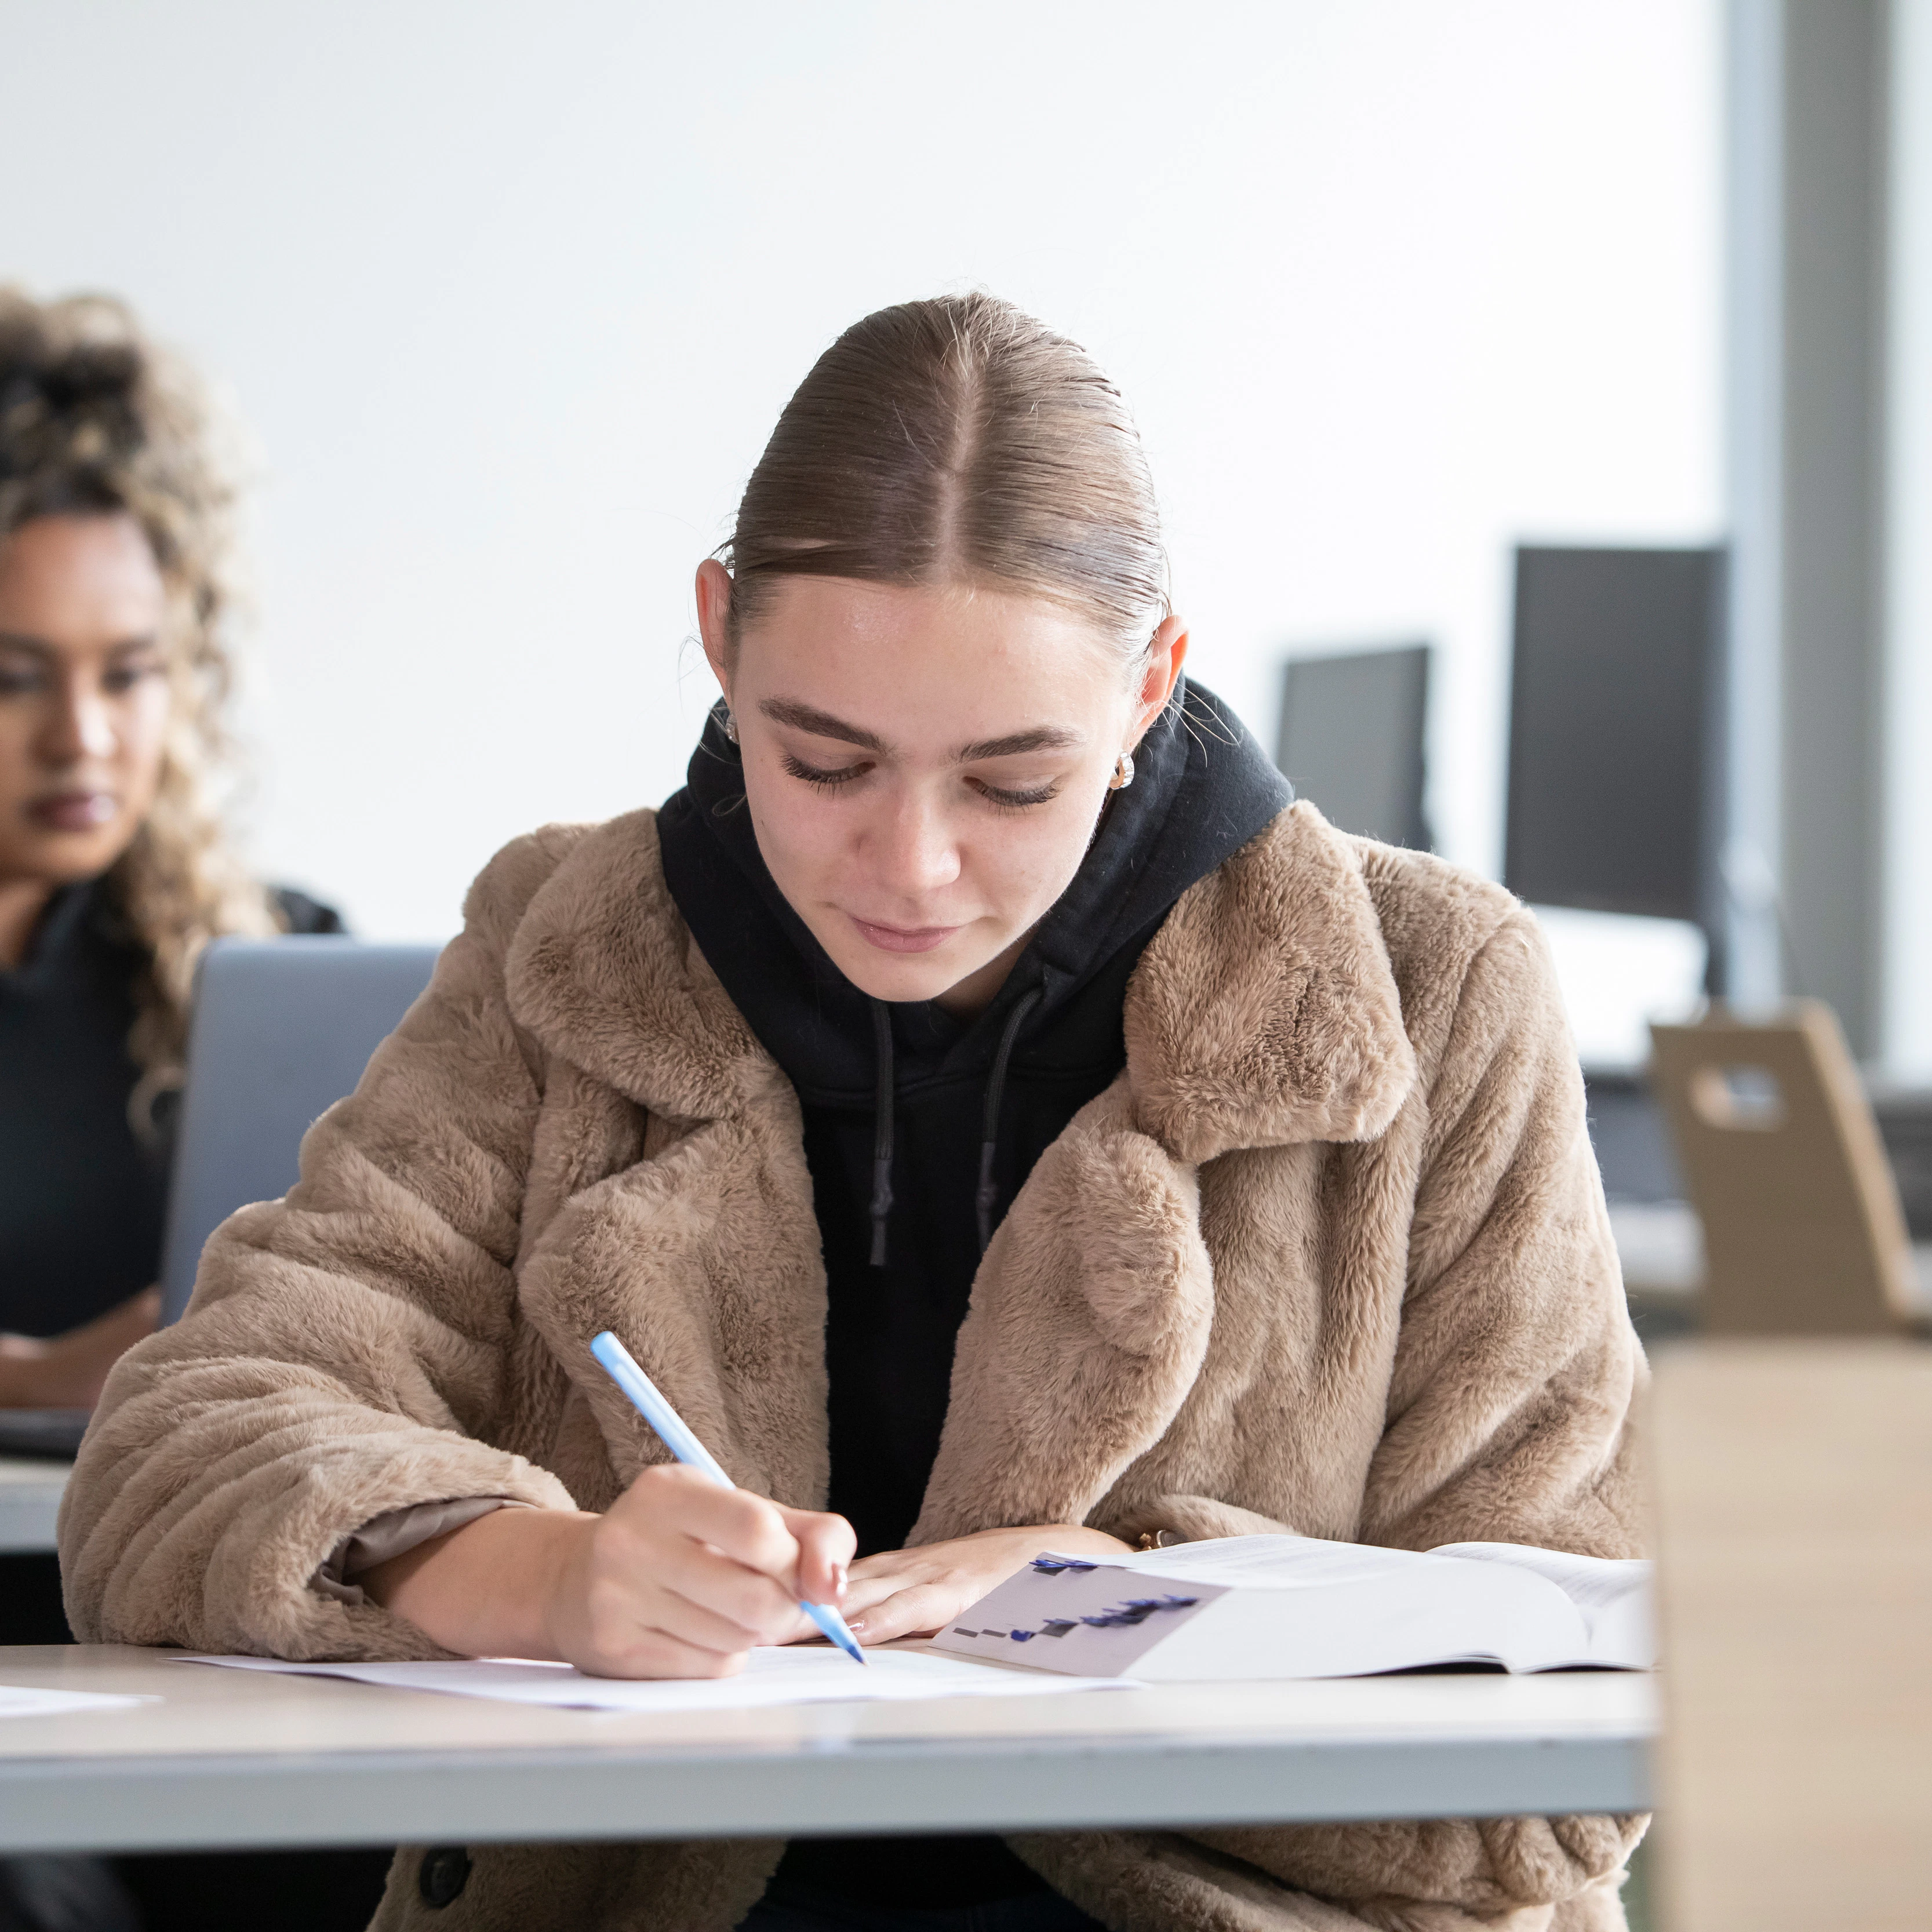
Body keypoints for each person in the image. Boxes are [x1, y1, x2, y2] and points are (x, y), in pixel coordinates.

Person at [63, 294, 1647, 1932]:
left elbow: (1580, 1704)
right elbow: (181, 1451)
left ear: (1150, 685)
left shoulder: (1430, 989)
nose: (912, 867)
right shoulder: (569, 948)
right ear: (717, 636)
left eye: (1012, 783)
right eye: (822, 762)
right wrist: (539, 1573)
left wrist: (1134, 1606)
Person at [0, 290, 384, 1932]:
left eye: (134, 671)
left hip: (221, 1618)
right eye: (14, 677)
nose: (84, 737)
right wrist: (48, 1376)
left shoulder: (271, 963)